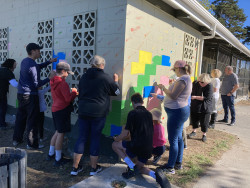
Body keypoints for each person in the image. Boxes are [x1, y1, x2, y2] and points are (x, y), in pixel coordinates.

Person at [70, 55, 120, 176]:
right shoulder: (105, 77)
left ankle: (75, 168)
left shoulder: (84, 77)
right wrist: (116, 82)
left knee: (81, 138)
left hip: (83, 111)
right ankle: (93, 168)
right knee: (95, 138)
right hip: (98, 113)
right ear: (102, 65)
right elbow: (117, 92)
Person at [112, 93, 170, 188]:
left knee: (115, 145)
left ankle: (131, 166)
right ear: (142, 102)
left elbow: (125, 134)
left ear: (133, 102)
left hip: (136, 147)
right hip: (148, 149)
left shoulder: (132, 113)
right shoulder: (148, 114)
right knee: (139, 168)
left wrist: (116, 138)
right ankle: (156, 176)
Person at [13, 43, 57, 149]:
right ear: (33, 51)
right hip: (30, 97)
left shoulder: (25, 61)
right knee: (32, 120)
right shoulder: (32, 65)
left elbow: (37, 67)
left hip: (21, 94)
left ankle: (16, 139)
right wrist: (49, 79)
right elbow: (37, 84)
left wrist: (49, 62)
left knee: (21, 118)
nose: (40, 52)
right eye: (38, 50)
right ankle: (32, 144)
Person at [158, 60, 192, 175]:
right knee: (178, 138)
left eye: (174, 69)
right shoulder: (184, 79)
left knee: (173, 140)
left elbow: (173, 96)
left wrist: (163, 88)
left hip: (177, 112)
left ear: (179, 68)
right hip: (179, 111)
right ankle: (178, 163)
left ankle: (170, 167)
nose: (174, 72)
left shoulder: (183, 79)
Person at [46, 62, 77, 166]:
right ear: (63, 71)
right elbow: (68, 99)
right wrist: (74, 92)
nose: (68, 74)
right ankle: (58, 158)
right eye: (67, 72)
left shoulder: (53, 80)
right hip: (62, 110)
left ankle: (51, 153)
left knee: (57, 131)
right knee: (61, 134)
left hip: (55, 109)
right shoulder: (63, 83)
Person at [188, 73, 213, 142]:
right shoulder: (195, 83)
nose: (201, 84)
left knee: (204, 121)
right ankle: (194, 131)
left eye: (203, 82)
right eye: (200, 82)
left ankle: (204, 134)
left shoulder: (209, 86)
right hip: (195, 105)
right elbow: (190, 91)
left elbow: (207, 97)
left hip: (205, 106)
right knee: (194, 118)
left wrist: (195, 97)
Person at [37, 71, 55, 141]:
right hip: (40, 110)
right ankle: (41, 137)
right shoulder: (40, 92)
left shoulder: (34, 92)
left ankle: (36, 137)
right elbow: (48, 88)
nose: (42, 86)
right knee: (40, 124)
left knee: (36, 124)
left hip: (35, 110)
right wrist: (52, 79)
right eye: (41, 85)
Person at [0, 59, 18, 129]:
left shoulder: (1, 69)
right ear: (10, 65)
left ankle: (2, 122)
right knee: (3, 108)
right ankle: (2, 124)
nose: (15, 66)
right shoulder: (7, 72)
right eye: (14, 64)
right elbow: (15, 84)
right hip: (1, 94)